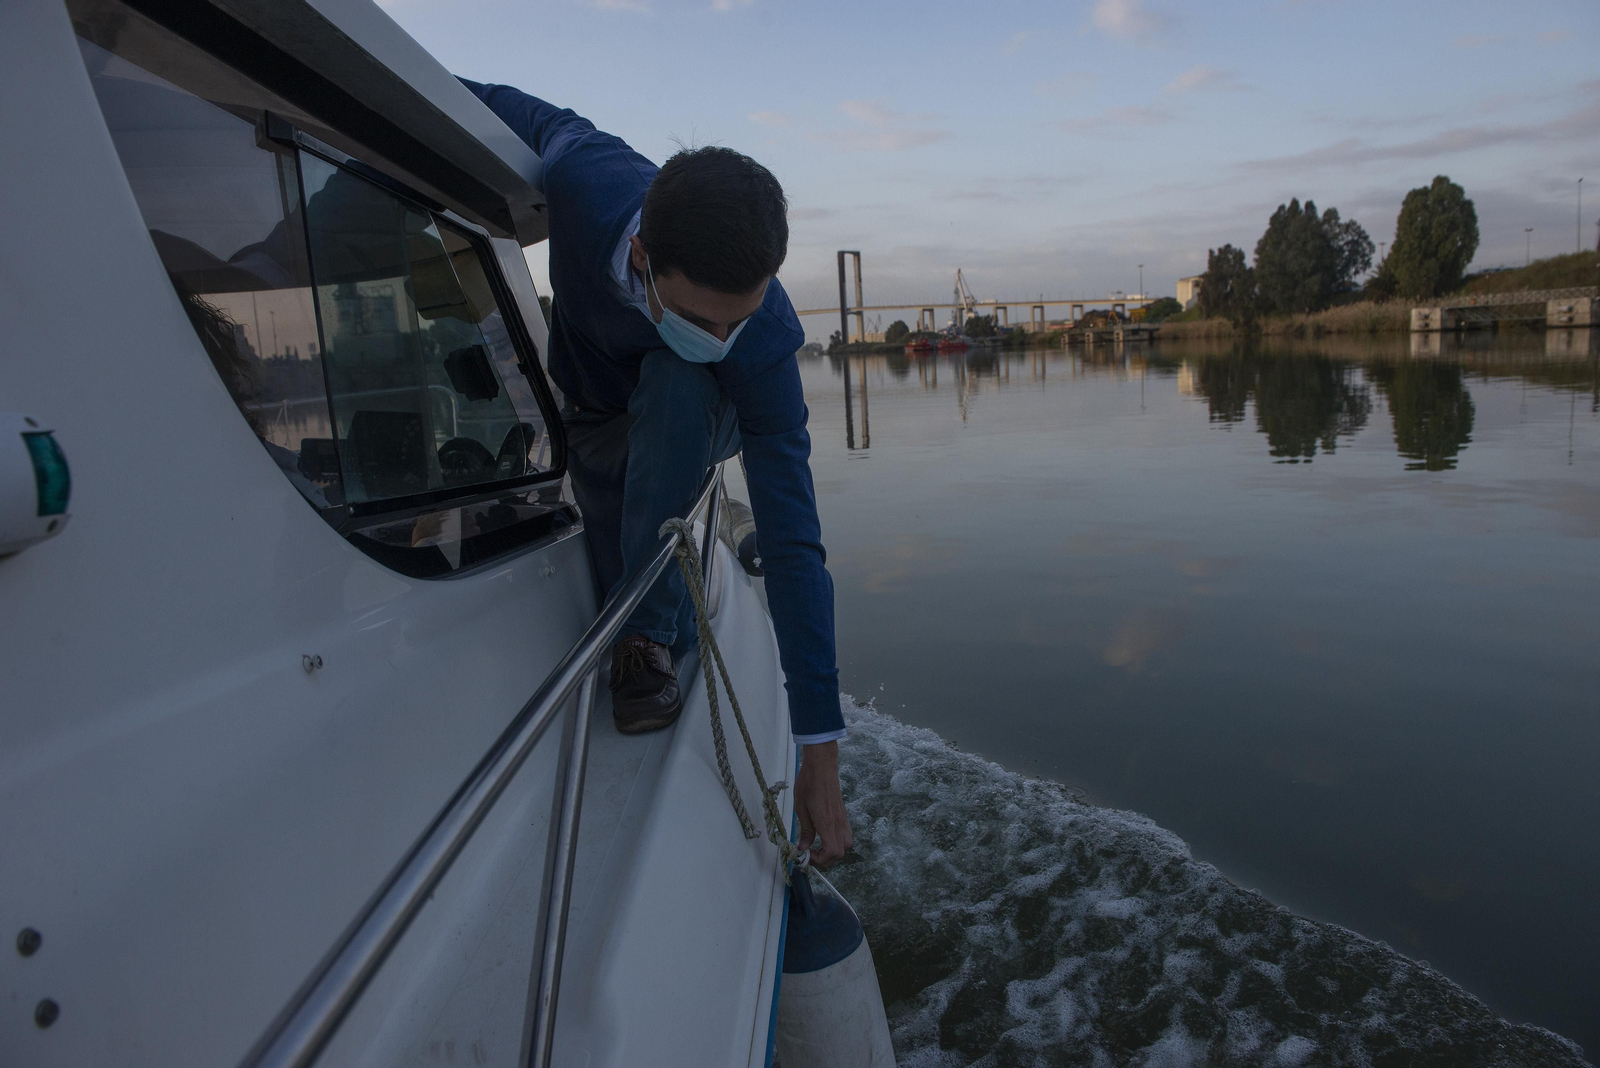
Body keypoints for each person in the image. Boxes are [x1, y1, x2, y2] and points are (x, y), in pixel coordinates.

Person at [459, 80, 852, 867]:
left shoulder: (763, 337)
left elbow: (792, 533)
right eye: (701, 318)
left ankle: (647, 636)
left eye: (736, 318)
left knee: (682, 378)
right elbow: (506, 102)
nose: (722, 337)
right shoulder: (587, 177)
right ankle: (639, 567)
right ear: (640, 256)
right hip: (593, 408)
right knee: (650, 408)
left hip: (698, 416)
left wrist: (819, 753)